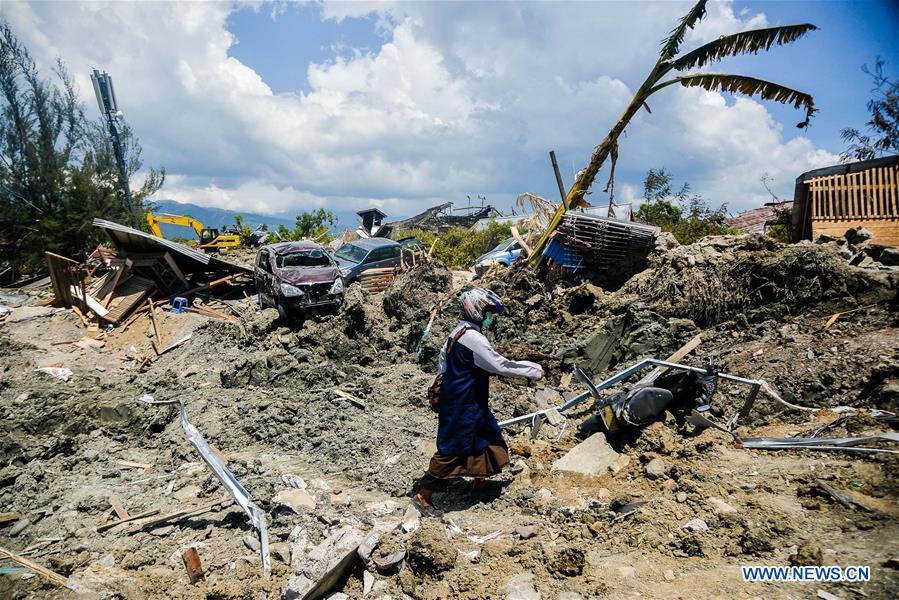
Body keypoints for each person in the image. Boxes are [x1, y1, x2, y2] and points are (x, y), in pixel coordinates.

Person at [413, 287, 543, 515]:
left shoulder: (458, 332)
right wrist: (533, 370)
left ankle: (479, 482)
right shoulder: (474, 339)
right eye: (489, 312)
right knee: (453, 448)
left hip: (465, 398)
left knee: (486, 435)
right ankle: (424, 494)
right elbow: (499, 365)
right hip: (463, 403)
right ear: (477, 311)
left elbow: (442, 365)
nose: (491, 317)